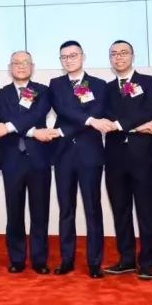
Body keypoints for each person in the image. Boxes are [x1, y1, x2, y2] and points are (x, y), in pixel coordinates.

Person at [48, 41, 111, 278]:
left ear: (83, 56)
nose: (69, 60)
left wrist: (68, 128)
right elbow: (63, 109)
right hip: (63, 154)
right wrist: (89, 121)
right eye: (64, 57)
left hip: (89, 154)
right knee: (66, 209)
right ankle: (67, 259)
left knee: (93, 208)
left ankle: (95, 262)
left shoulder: (99, 84)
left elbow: (98, 111)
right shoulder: (56, 84)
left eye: (73, 55)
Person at [102, 40, 152, 280]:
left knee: (147, 210)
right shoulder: (106, 88)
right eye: (114, 54)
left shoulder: (150, 82)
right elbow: (104, 113)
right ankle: (126, 259)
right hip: (114, 156)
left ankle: (147, 261)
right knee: (121, 210)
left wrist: (120, 124)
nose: (119, 57)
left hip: (143, 156)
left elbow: (149, 110)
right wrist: (127, 125)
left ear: (133, 55)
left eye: (123, 52)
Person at [0, 51, 56, 274]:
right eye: (16, 63)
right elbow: (4, 116)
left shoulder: (43, 90)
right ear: (10, 67)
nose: (20, 66)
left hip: (39, 159)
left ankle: (40, 259)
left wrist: (11, 127)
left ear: (32, 66)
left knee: (40, 212)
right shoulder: (1, 94)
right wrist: (32, 132)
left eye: (25, 63)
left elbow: (37, 114)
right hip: (11, 159)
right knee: (14, 212)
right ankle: (17, 258)